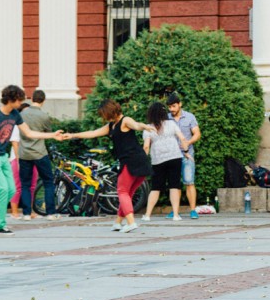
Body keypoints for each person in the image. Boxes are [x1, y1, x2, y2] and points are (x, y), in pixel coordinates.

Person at [0, 85, 64, 235]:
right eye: (19, 100)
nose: (21, 103)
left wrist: (52, 135)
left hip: (2, 156)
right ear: (11, 100)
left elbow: (29, 132)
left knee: (11, 190)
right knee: (3, 189)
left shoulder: (15, 114)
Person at [64, 99, 153, 233]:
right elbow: (92, 133)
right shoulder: (111, 126)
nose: (103, 117)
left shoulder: (125, 120)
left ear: (110, 111)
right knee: (127, 193)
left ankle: (131, 222)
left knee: (122, 191)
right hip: (139, 160)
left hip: (131, 161)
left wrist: (144, 126)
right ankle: (118, 223)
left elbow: (136, 125)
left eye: (103, 114)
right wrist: (72, 135)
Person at [141, 102, 190, 221]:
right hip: (175, 157)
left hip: (158, 160)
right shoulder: (171, 124)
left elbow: (146, 146)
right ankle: (176, 215)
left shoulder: (148, 128)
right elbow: (182, 138)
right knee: (174, 186)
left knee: (156, 187)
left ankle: (147, 215)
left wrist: (143, 160)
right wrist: (186, 151)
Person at [18, 90, 59, 221]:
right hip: (40, 153)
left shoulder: (21, 114)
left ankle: (26, 213)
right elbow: (48, 132)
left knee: (25, 184)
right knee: (48, 182)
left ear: (31, 98)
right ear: (43, 100)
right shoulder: (44, 116)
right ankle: (50, 213)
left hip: (24, 153)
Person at [167, 94, 201, 219]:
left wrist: (188, 142)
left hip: (187, 155)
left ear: (180, 104)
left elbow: (197, 133)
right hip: (171, 155)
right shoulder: (166, 118)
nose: (172, 109)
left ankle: (193, 210)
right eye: (170, 107)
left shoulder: (190, 117)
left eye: (174, 106)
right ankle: (175, 211)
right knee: (174, 184)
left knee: (189, 182)